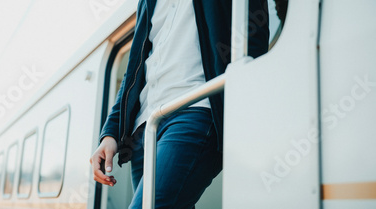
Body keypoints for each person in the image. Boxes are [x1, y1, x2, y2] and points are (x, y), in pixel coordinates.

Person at [90, 0, 269, 208]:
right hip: (145, 129)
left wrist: (245, 109)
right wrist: (110, 133)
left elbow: (254, 37)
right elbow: (134, 69)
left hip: (197, 109)